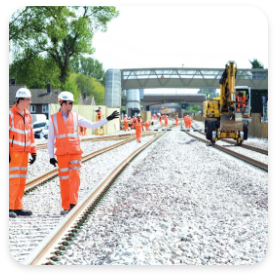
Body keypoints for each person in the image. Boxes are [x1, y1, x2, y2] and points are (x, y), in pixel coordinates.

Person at [48, 91, 119, 215]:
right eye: (70, 103)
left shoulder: (76, 117)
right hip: (61, 154)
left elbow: (92, 125)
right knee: (64, 180)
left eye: (72, 103)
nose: (72, 105)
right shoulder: (53, 118)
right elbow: (50, 139)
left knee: (75, 177)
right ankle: (66, 207)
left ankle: (73, 205)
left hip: (75, 152)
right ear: (62, 103)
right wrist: (51, 156)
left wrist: (108, 118)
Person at [9, 88, 37, 218]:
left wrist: (33, 152)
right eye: (28, 100)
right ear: (21, 100)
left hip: (25, 153)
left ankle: (18, 207)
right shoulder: (10, 115)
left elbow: (30, 135)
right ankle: (9, 207)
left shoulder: (28, 115)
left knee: (21, 181)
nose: (30, 102)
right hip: (14, 153)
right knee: (13, 181)